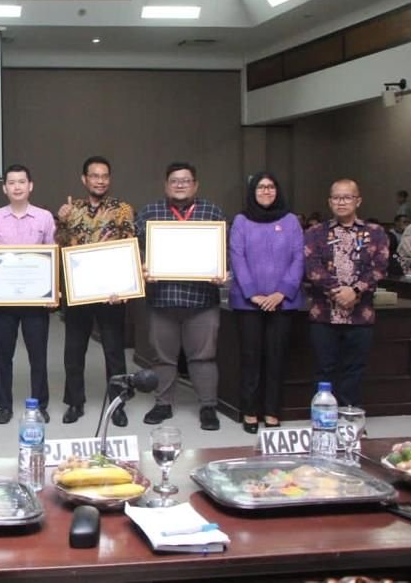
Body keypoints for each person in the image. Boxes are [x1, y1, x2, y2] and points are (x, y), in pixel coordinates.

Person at [136, 162, 227, 431]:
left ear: (195, 185)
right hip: (162, 298)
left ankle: (208, 406)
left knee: (204, 357)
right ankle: (163, 404)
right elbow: (132, 248)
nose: (180, 185)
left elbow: (226, 249)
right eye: (174, 180)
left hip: (202, 300)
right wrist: (141, 267)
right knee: (163, 357)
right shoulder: (149, 212)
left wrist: (222, 270)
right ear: (166, 185)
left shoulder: (212, 212)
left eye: (186, 180)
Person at [55, 156, 136, 427]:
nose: (100, 181)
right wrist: (62, 221)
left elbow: (129, 247)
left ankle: (117, 404)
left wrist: (125, 287)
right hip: (79, 291)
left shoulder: (122, 209)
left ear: (109, 179)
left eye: (104, 176)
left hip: (111, 292)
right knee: (74, 351)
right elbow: (60, 245)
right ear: (84, 179)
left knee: (114, 351)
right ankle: (75, 402)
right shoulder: (72, 209)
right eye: (94, 176)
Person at [228, 172, 304, 433]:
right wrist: (252, 294)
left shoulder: (291, 220)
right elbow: (237, 257)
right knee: (250, 359)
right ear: (252, 191)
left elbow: (299, 258)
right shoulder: (241, 221)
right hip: (248, 303)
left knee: (276, 358)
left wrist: (282, 292)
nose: (266, 191)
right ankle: (250, 411)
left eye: (271, 186)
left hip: (282, 303)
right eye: (260, 187)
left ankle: (272, 411)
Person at [0, 164, 55, 424]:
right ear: (5, 188)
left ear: (30, 185)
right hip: (3, 300)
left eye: (21, 181)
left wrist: (52, 290)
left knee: (38, 355)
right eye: (11, 182)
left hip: (35, 300)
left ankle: (40, 404)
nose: (17, 187)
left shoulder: (44, 217)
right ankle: (4, 405)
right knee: (3, 355)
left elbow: (52, 255)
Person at [304, 179, 389, 406]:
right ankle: (324, 417)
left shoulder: (375, 232)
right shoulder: (315, 232)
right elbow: (312, 267)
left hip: (361, 315)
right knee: (324, 368)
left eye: (347, 197)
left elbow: (380, 267)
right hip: (324, 314)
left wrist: (355, 290)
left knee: (355, 369)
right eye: (336, 198)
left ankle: (350, 416)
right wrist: (338, 292)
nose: (341, 202)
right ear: (329, 202)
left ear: (358, 201)